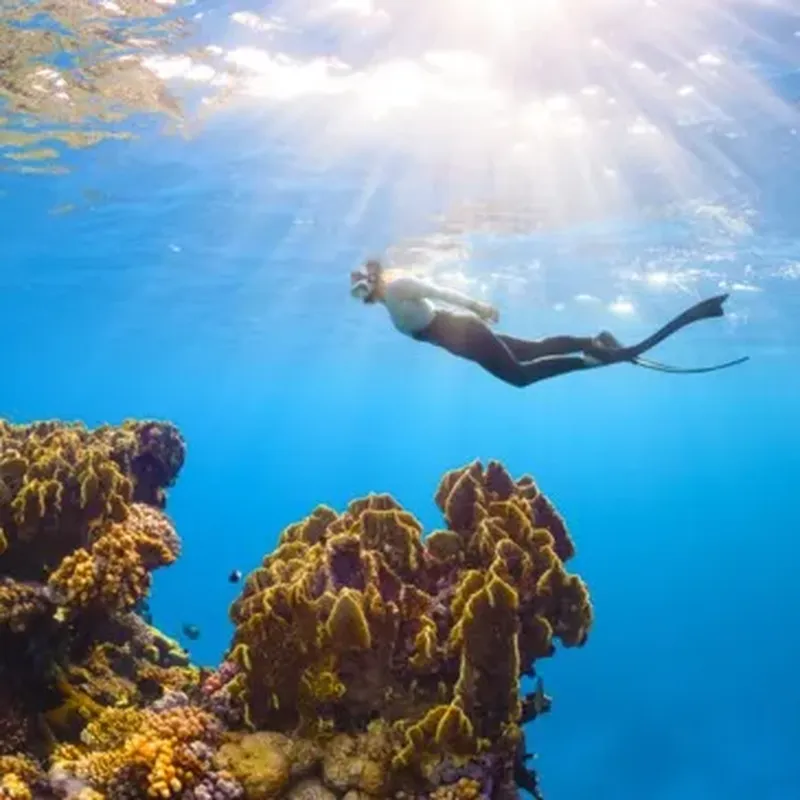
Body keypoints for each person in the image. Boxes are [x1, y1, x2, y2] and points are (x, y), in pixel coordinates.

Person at [349, 258, 748, 387]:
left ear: (374, 280)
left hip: (465, 331)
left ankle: (590, 358)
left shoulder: (399, 286)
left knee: (520, 376)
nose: (365, 296)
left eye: (363, 288)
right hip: (461, 340)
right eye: (361, 294)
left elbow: (438, 292)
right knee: (534, 350)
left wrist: (480, 307)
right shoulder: (389, 303)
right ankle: (594, 340)